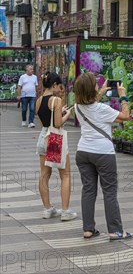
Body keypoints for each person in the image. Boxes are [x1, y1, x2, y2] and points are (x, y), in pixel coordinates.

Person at [74, 72, 132, 241]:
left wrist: (99, 92)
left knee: (88, 190)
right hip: (103, 153)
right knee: (109, 192)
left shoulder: (77, 106)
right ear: (92, 89)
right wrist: (123, 97)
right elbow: (125, 117)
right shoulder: (102, 109)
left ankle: (88, 229)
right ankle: (115, 231)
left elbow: (89, 103)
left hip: (83, 152)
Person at [35, 72, 77, 221]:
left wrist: (59, 113)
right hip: (54, 139)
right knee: (65, 174)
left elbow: (45, 120)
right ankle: (65, 211)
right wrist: (67, 113)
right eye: (59, 86)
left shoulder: (39, 100)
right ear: (53, 85)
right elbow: (58, 123)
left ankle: (47, 209)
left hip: (43, 137)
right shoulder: (56, 100)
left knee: (44, 175)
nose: (60, 90)